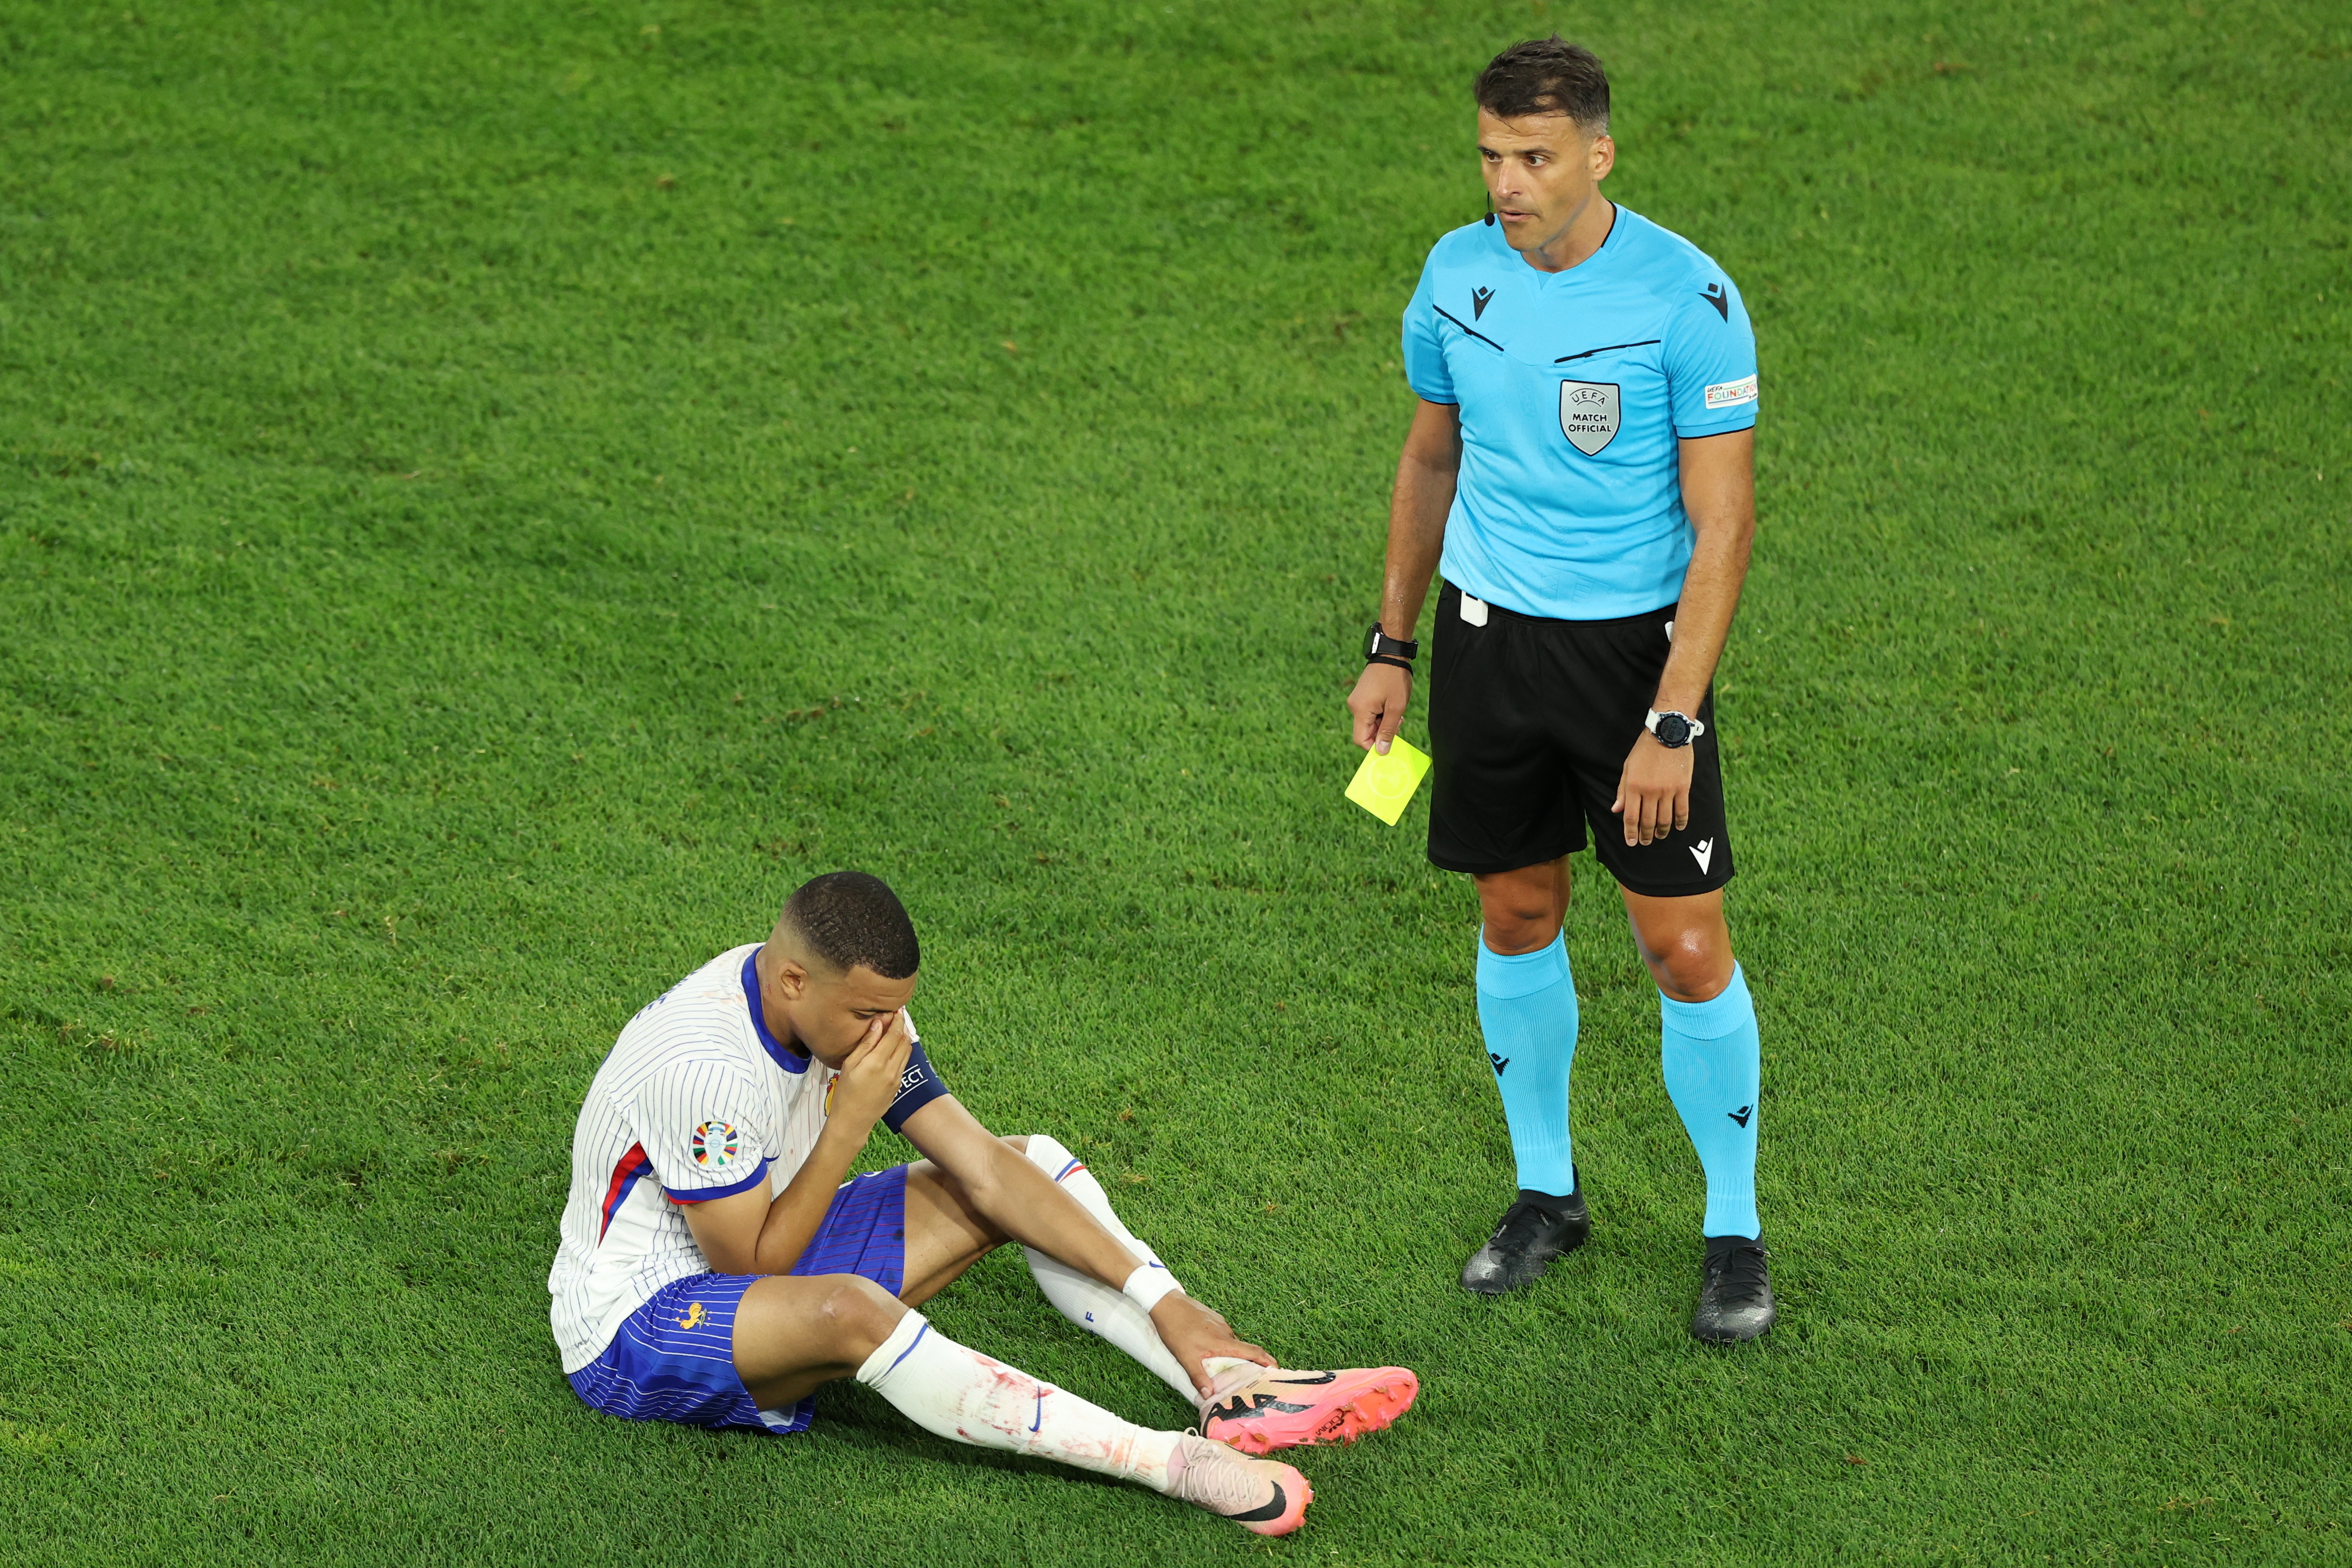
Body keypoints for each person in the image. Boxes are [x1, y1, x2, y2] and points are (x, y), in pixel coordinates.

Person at [547, 870, 1418, 1535]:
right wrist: (849, 1122)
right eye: (866, 1015)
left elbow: (989, 1172)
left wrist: (1172, 1305)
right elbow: (750, 1266)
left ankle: (1227, 1386)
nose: (884, 1034)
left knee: (1023, 1160)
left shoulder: (852, 1011)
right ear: (790, 985)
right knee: (849, 1310)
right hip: (640, 1320)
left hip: (768, 1234)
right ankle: (1168, 1464)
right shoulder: (700, 1067)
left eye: (895, 1013)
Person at [1345, 38, 1775, 1342]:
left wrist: (1669, 720)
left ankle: (1733, 1228)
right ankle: (1546, 1193)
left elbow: (1724, 523)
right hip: (1487, 650)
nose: (1506, 182)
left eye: (1532, 158)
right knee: (1516, 912)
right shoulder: (1454, 269)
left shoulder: (1683, 300)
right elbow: (1428, 460)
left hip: (1630, 666)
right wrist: (1390, 644)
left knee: (1680, 946)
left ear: (1597, 152)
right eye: (1488, 154)